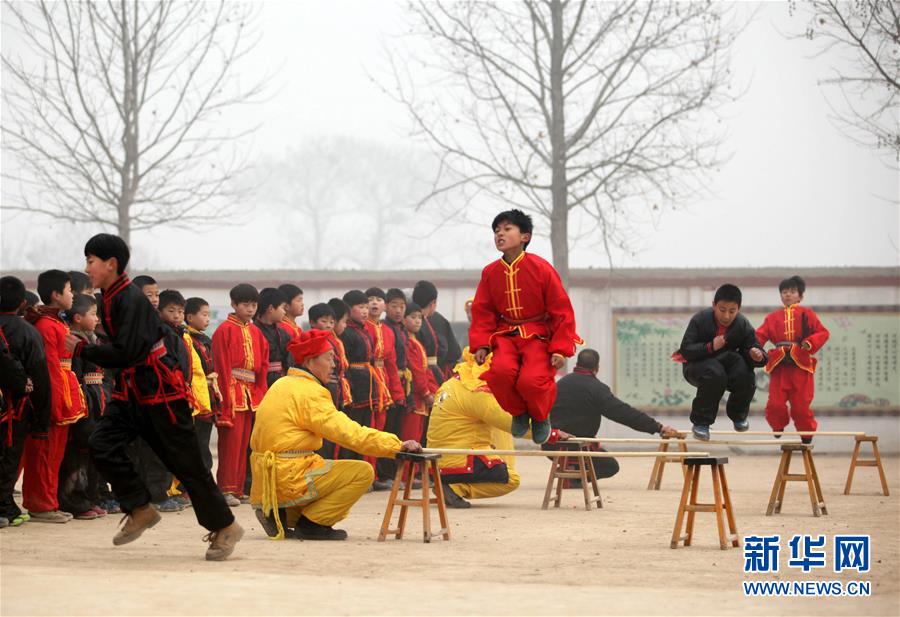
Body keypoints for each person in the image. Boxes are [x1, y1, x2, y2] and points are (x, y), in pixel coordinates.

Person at [70, 233, 242, 561]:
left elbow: (129, 351)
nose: (87, 267)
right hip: (132, 392)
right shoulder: (109, 297)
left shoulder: (129, 299)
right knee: (101, 443)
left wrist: (83, 348)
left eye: (90, 261)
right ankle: (139, 508)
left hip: (160, 394)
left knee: (187, 464)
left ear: (111, 264)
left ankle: (225, 526)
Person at [249, 329, 422, 540]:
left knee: (320, 465)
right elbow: (349, 433)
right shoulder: (310, 392)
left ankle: (278, 512)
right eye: (330, 358)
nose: (334, 364)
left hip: (269, 476)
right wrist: (395, 445)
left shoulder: (282, 383)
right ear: (311, 361)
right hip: (288, 474)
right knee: (362, 472)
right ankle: (312, 525)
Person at [468, 209, 582, 444]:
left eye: (507, 229)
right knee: (499, 374)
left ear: (525, 237)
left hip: (538, 336)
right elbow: (483, 310)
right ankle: (519, 413)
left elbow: (561, 309)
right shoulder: (490, 272)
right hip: (505, 335)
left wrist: (559, 348)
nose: (500, 234)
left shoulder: (541, 268)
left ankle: (541, 416)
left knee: (531, 381)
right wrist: (482, 344)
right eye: (497, 230)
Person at [427, 348, 569, 508]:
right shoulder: (477, 390)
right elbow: (511, 423)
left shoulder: (453, 383)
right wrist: (551, 434)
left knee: (497, 460)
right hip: (457, 460)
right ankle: (455, 488)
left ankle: (450, 486)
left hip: (437, 462)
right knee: (511, 479)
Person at [543, 348, 680, 480]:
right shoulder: (597, 389)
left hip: (551, 444)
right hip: (578, 447)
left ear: (577, 364)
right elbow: (624, 413)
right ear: (597, 367)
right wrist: (658, 427)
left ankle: (571, 471)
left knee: (590, 453)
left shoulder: (559, 384)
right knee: (610, 466)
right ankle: (574, 479)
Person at [21, 270, 85, 524]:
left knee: (55, 454)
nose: (72, 295)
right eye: (69, 290)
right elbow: (48, 369)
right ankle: (41, 505)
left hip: (64, 393)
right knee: (44, 454)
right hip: (54, 397)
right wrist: (55, 405)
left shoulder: (57, 321)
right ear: (56, 295)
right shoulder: (47, 326)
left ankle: (50, 503)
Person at [675, 283, 767, 441]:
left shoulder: (742, 324)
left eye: (732, 311)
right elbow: (686, 350)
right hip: (696, 366)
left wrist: (757, 356)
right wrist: (710, 346)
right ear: (713, 306)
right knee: (715, 373)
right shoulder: (700, 319)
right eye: (722, 310)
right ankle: (701, 424)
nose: (726, 316)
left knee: (745, 373)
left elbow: (753, 348)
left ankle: (738, 416)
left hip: (726, 364)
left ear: (739, 308)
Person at [0, 276, 52, 528]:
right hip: (15, 407)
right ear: (22, 303)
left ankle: (6, 506)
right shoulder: (28, 332)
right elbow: (40, 375)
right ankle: (4, 507)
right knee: (9, 456)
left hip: (10, 402)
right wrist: (42, 416)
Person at [212, 283, 269, 506]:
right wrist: (224, 399)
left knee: (246, 442)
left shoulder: (256, 332)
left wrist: (261, 394)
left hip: (251, 393)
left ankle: (237, 489)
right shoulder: (224, 330)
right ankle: (225, 489)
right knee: (230, 444)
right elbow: (222, 365)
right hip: (232, 390)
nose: (250, 309)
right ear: (234, 304)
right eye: (245, 304)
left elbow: (262, 366)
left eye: (254, 305)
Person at [755, 276, 830, 442]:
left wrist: (809, 342)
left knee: (801, 407)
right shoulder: (772, 317)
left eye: (792, 291)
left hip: (801, 367)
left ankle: (806, 434)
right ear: (780, 295)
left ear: (800, 296)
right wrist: (754, 348)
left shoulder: (807, 314)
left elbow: (823, 333)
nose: (788, 295)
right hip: (779, 366)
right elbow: (759, 336)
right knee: (775, 404)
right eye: (784, 292)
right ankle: (777, 425)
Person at [59, 294, 108, 520]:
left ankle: (90, 498)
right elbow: (74, 378)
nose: (97, 319)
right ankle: (75, 502)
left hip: (96, 403)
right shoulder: (73, 342)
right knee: (76, 455)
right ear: (78, 318)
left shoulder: (91, 340)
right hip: (82, 405)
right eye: (93, 314)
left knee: (91, 454)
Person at [338, 290, 387, 467]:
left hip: (367, 383)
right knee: (353, 428)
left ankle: (362, 467)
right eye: (361, 307)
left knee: (365, 428)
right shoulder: (347, 333)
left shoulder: (364, 330)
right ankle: (351, 467)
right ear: (349, 309)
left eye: (366, 307)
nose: (365, 311)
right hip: (355, 384)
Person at [364, 287, 405, 490]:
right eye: (369, 299)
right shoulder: (363, 328)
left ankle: (379, 473)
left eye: (378, 299)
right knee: (369, 429)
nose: (374, 303)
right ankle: (369, 474)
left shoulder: (387, 331)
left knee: (382, 430)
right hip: (369, 379)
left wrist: (397, 393)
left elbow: (391, 363)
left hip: (384, 383)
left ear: (384, 305)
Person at [184, 297, 220, 472]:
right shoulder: (185, 338)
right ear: (190, 317)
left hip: (207, 393)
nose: (208, 319)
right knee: (195, 442)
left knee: (203, 440)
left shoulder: (205, 339)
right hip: (194, 395)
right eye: (204, 314)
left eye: (208, 315)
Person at [400, 302, 438, 444]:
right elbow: (416, 371)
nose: (417, 321)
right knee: (410, 437)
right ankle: (407, 467)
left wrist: (434, 391)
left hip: (422, 398)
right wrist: (426, 393)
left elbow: (425, 369)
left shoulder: (416, 342)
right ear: (404, 320)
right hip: (415, 397)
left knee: (418, 437)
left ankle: (414, 467)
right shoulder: (408, 343)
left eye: (419, 318)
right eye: (413, 317)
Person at [412, 280, 462, 382]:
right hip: (434, 373)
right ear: (432, 303)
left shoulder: (406, 318)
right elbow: (450, 351)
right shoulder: (437, 320)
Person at [254, 288, 293, 388]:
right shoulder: (253, 331)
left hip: (282, 380)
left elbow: (289, 361)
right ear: (271, 308)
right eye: (282, 307)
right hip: (261, 381)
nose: (284, 312)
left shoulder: (284, 334)